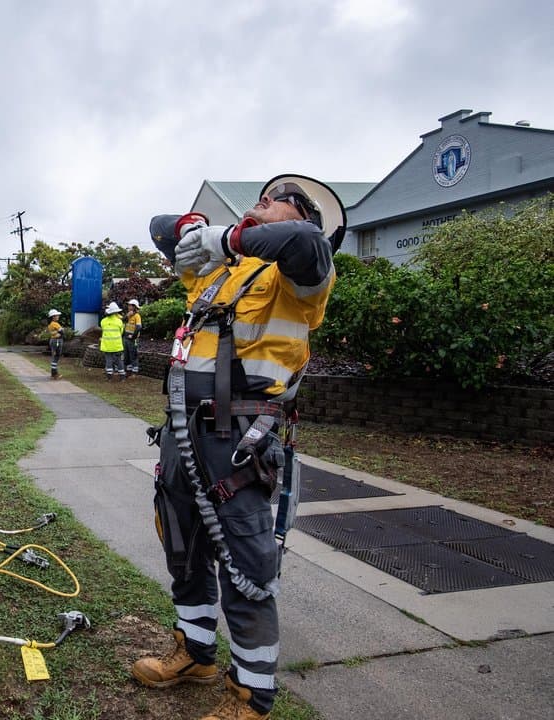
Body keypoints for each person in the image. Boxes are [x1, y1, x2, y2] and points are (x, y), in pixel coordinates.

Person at [133, 175, 345, 720]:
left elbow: (303, 244)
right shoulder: (218, 275)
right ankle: (196, 654)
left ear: (302, 216)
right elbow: (158, 228)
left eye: (274, 200)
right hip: (183, 435)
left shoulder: (300, 277)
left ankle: (251, 696)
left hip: (239, 445)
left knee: (246, 566)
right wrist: (191, 229)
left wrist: (229, 237)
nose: (260, 202)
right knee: (183, 546)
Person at [99, 301, 126, 381]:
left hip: (107, 346)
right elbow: (121, 332)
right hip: (117, 346)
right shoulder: (119, 321)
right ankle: (122, 377)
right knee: (119, 361)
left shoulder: (103, 321)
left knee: (108, 361)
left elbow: (103, 329)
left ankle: (109, 377)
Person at [123, 299, 143, 373]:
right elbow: (122, 320)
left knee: (133, 354)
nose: (129, 307)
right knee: (127, 355)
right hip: (126, 338)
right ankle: (129, 371)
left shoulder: (137, 316)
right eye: (128, 305)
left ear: (134, 307)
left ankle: (135, 371)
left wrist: (133, 336)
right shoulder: (129, 315)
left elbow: (138, 327)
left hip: (133, 339)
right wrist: (127, 316)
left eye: (130, 305)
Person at [45, 308, 64, 379]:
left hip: (53, 340)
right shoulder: (55, 324)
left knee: (55, 356)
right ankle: (54, 373)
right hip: (57, 341)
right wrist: (60, 331)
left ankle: (54, 373)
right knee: (56, 356)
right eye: (57, 315)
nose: (58, 316)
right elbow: (62, 332)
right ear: (53, 317)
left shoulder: (50, 325)